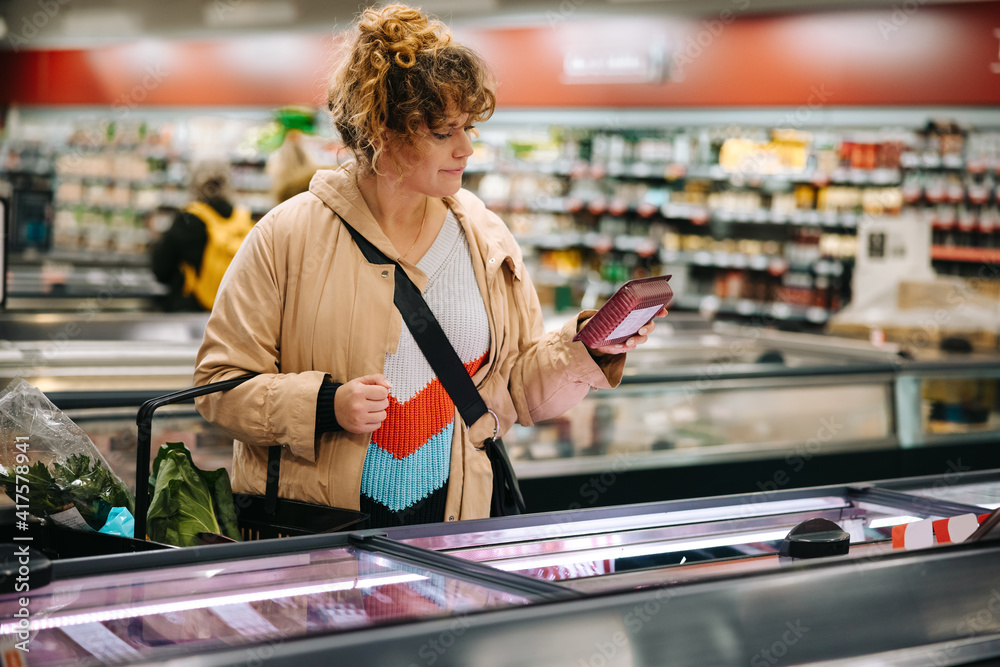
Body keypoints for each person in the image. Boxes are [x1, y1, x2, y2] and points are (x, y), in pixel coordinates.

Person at [193, 4, 667, 527]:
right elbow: (219, 387)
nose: (466, 148)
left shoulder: (485, 239)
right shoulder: (287, 237)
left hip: (452, 520)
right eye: (444, 132)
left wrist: (586, 349)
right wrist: (326, 404)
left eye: (467, 129)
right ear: (382, 132)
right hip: (317, 530)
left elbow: (511, 390)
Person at [151, 160, 253, 311]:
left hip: (191, 312)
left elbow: (161, 270)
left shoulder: (187, 219)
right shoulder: (243, 218)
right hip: (231, 312)